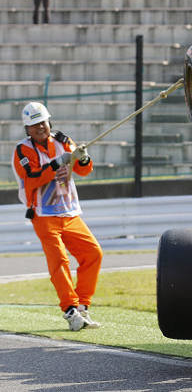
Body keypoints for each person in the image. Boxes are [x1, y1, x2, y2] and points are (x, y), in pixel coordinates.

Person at [11, 102, 103, 331]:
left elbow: (83, 170)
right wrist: (57, 163)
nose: (40, 127)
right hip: (43, 214)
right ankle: (70, 309)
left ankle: (82, 306)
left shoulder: (63, 140)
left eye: (42, 122)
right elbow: (32, 178)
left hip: (70, 211)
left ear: (49, 121)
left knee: (93, 253)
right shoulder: (23, 150)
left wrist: (82, 159)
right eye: (34, 125)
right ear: (27, 129)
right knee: (59, 261)